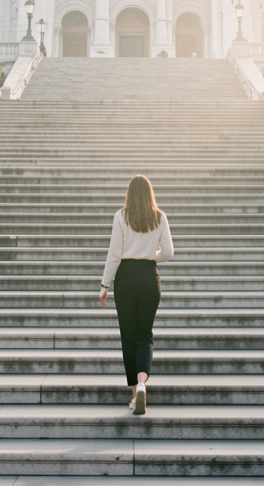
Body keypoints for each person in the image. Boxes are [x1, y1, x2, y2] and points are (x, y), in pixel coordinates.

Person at [99, 175, 174, 414]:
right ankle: (142, 383)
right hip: (149, 278)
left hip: (126, 278)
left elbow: (114, 253)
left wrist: (104, 285)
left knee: (128, 338)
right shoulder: (159, 217)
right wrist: (152, 256)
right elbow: (169, 251)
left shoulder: (121, 216)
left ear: (130, 194)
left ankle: (134, 394)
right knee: (144, 335)